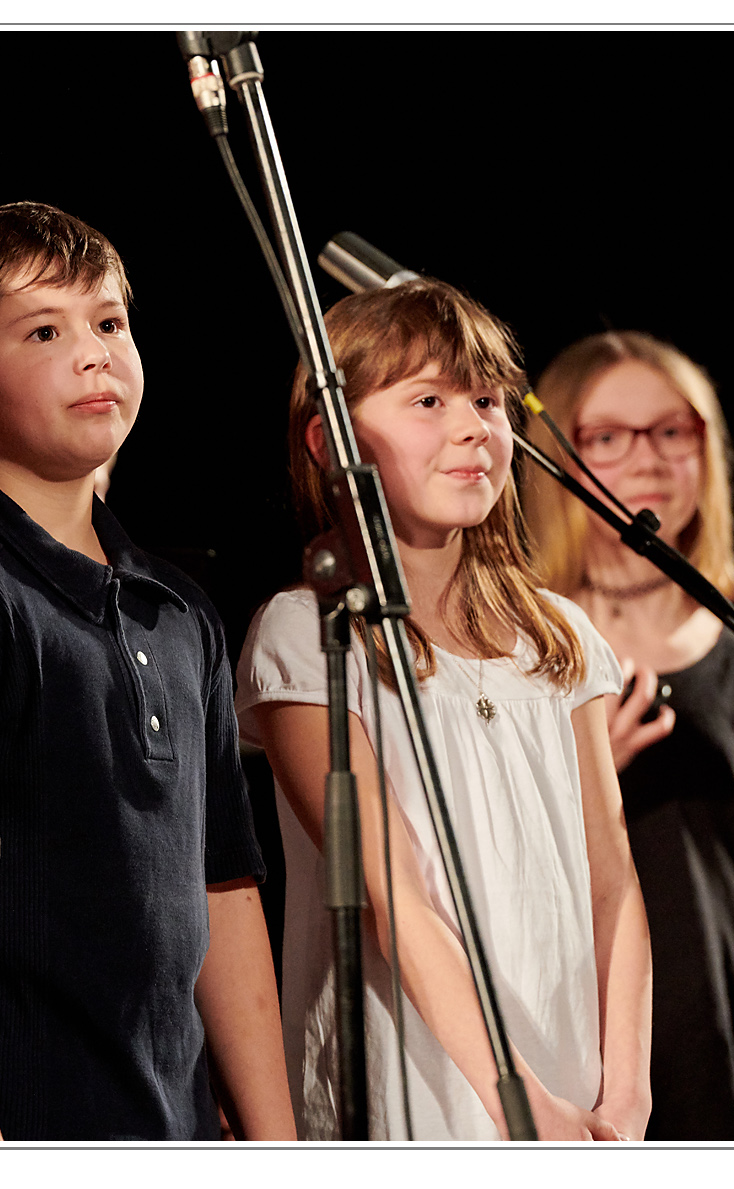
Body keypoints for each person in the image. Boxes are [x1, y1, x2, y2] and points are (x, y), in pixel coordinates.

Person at [0, 201, 293, 1141]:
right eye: (45, 329)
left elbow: (224, 890)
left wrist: (279, 1140)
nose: (94, 352)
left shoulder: (179, 610)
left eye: (110, 322)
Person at [237, 279, 652, 1141]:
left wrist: (627, 1092)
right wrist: (515, 1095)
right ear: (330, 439)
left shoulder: (558, 635)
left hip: (576, 1103)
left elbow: (612, 880)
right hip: (420, 1103)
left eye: (487, 399)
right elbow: (397, 901)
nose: (473, 426)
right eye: (429, 399)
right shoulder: (310, 634)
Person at [521, 330, 734, 1140]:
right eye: (608, 436)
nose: (648, 457)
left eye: (674, 429)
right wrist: (596, 778)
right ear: (560, 450)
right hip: (608, 1068)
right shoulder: (525, 652)